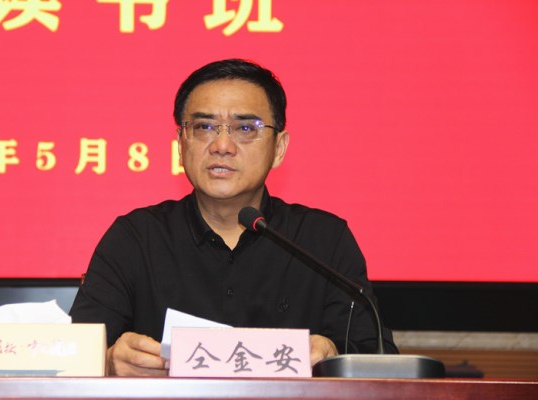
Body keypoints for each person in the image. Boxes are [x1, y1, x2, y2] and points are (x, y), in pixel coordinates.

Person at [70, 58, 398, 376]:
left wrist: (333, 354)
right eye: (204, 127)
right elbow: (71, 354)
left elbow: (380, 362)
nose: (222, 145)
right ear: (181, 143)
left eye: (245, 128)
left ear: (279, 148)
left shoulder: (324, 241)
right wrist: (109, 361)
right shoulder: (134, 239)